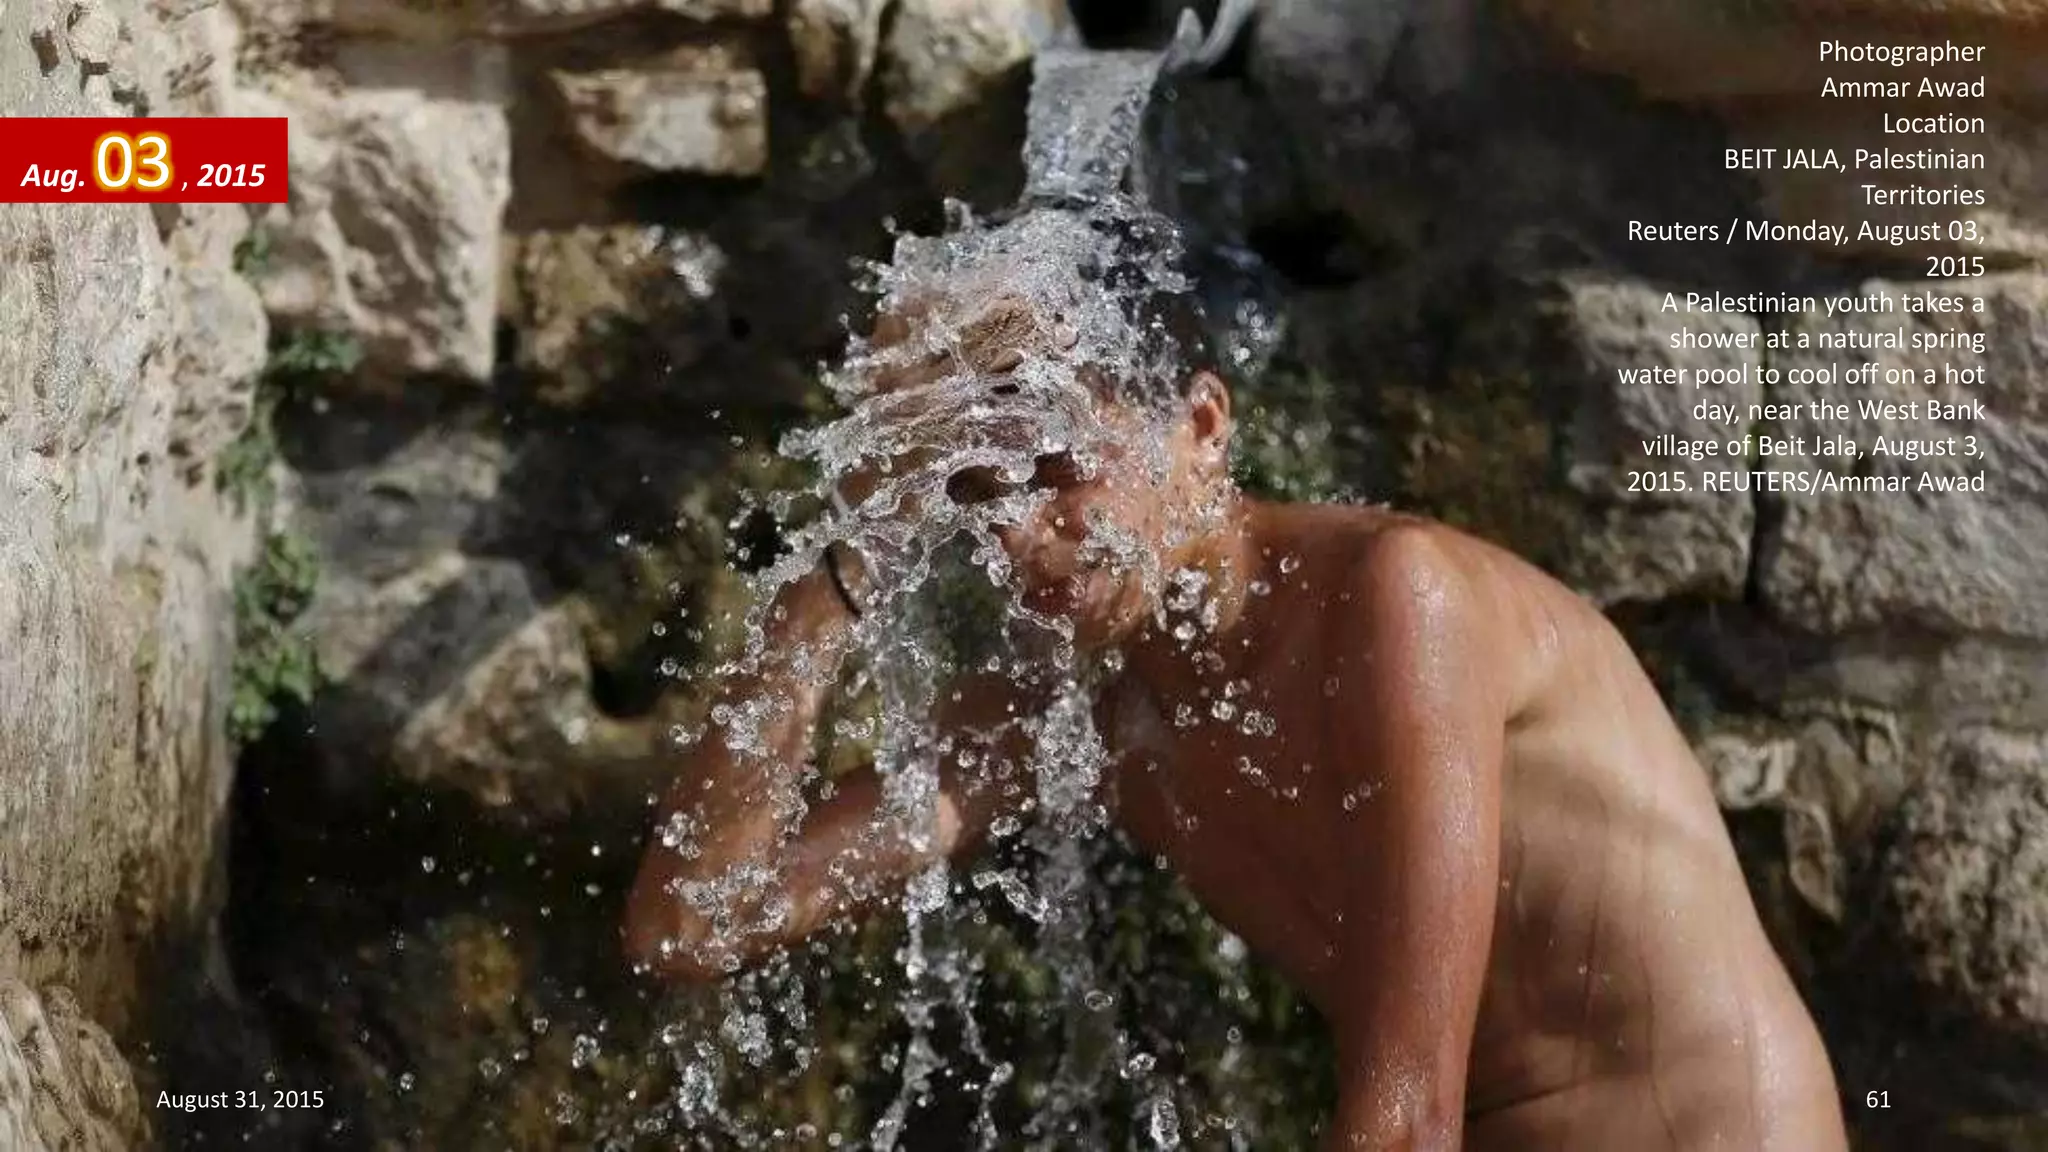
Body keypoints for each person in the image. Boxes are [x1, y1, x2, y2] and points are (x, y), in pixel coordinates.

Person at [622, 251, 1850, 1151]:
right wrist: (834, 582)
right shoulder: (1085, 711)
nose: (1018, 532)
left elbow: (1406, 1120)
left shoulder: (1395, 599)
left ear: (1201, 424)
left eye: (1054, 465)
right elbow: (690, 927)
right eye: (971, 492)